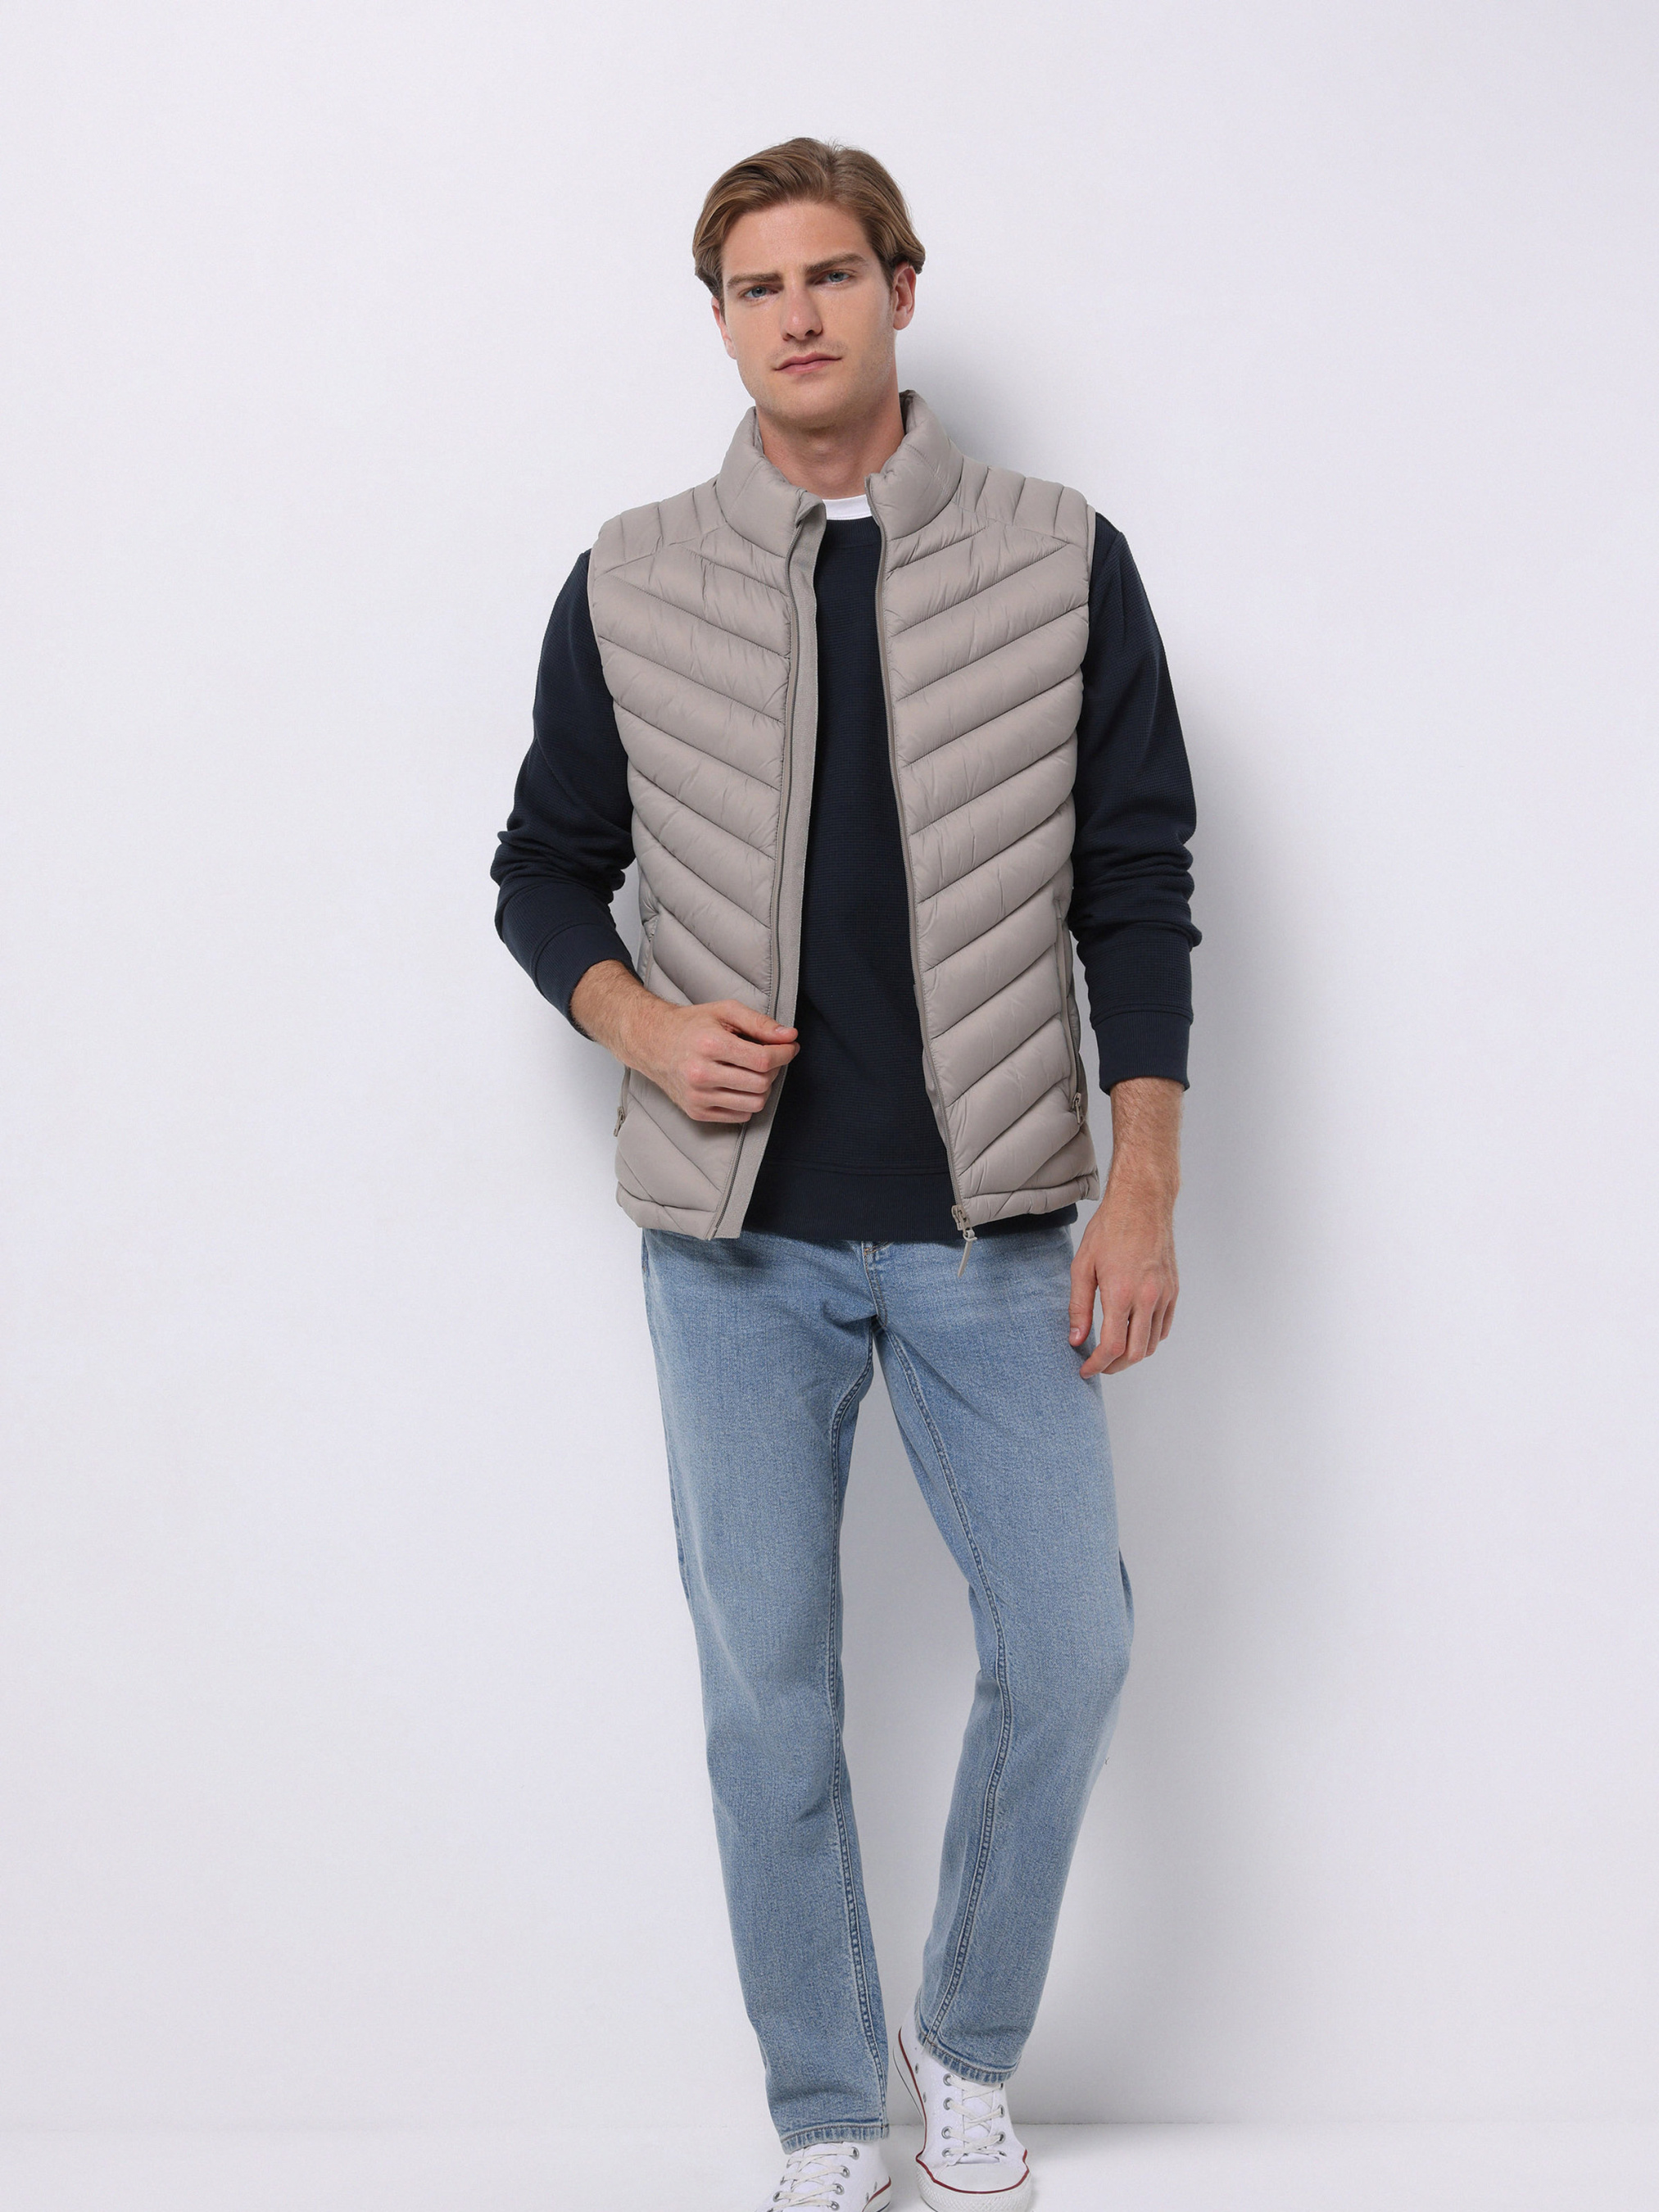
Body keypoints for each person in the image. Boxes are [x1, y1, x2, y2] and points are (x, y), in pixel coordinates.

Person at [491, 137, 1199, 2212]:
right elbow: (542, 872)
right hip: (736, 1249)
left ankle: (960, 2050)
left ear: (900, 286)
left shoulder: (1059, 557)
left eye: (827, 274)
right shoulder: (632, 575)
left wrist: (1141, 1178)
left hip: (996, 1226)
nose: (792, 314)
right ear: (717, 320)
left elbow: (1135, 879)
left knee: (1068, 1646)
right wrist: (641, 1027)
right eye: (752, 286)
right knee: (767, 1693)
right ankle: (824, 2109)